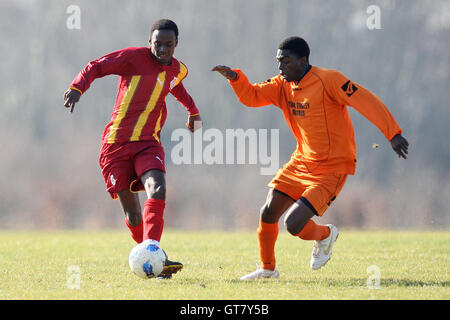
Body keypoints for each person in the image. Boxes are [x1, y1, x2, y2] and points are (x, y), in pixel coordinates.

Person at [212, 36, 408, 280]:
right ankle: (268, 269)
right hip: (301, 161)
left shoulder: (329, 80)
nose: (280, 67)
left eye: (286, 61)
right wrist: (235, 78)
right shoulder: (281, 85)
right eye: (278, 62)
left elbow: (365, 100)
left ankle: (326, 235)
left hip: (332, 168)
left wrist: (393, 133)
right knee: (268, 212)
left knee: (293, 224)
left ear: (303, 60)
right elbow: (252, 96)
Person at [64, 19, 202, 279]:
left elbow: (175, 87)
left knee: (158, 187)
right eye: (157, 44)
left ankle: (154, 252)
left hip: (148, 143)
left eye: (168, 45)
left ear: (176, 44)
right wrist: (77, 87)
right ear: (149, 42)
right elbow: (97, 66)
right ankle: (153, 259)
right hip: (115, 146)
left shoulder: (176, 70)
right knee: (134, 215)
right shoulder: (132, 58)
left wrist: (193, 111)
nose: (162, 49)